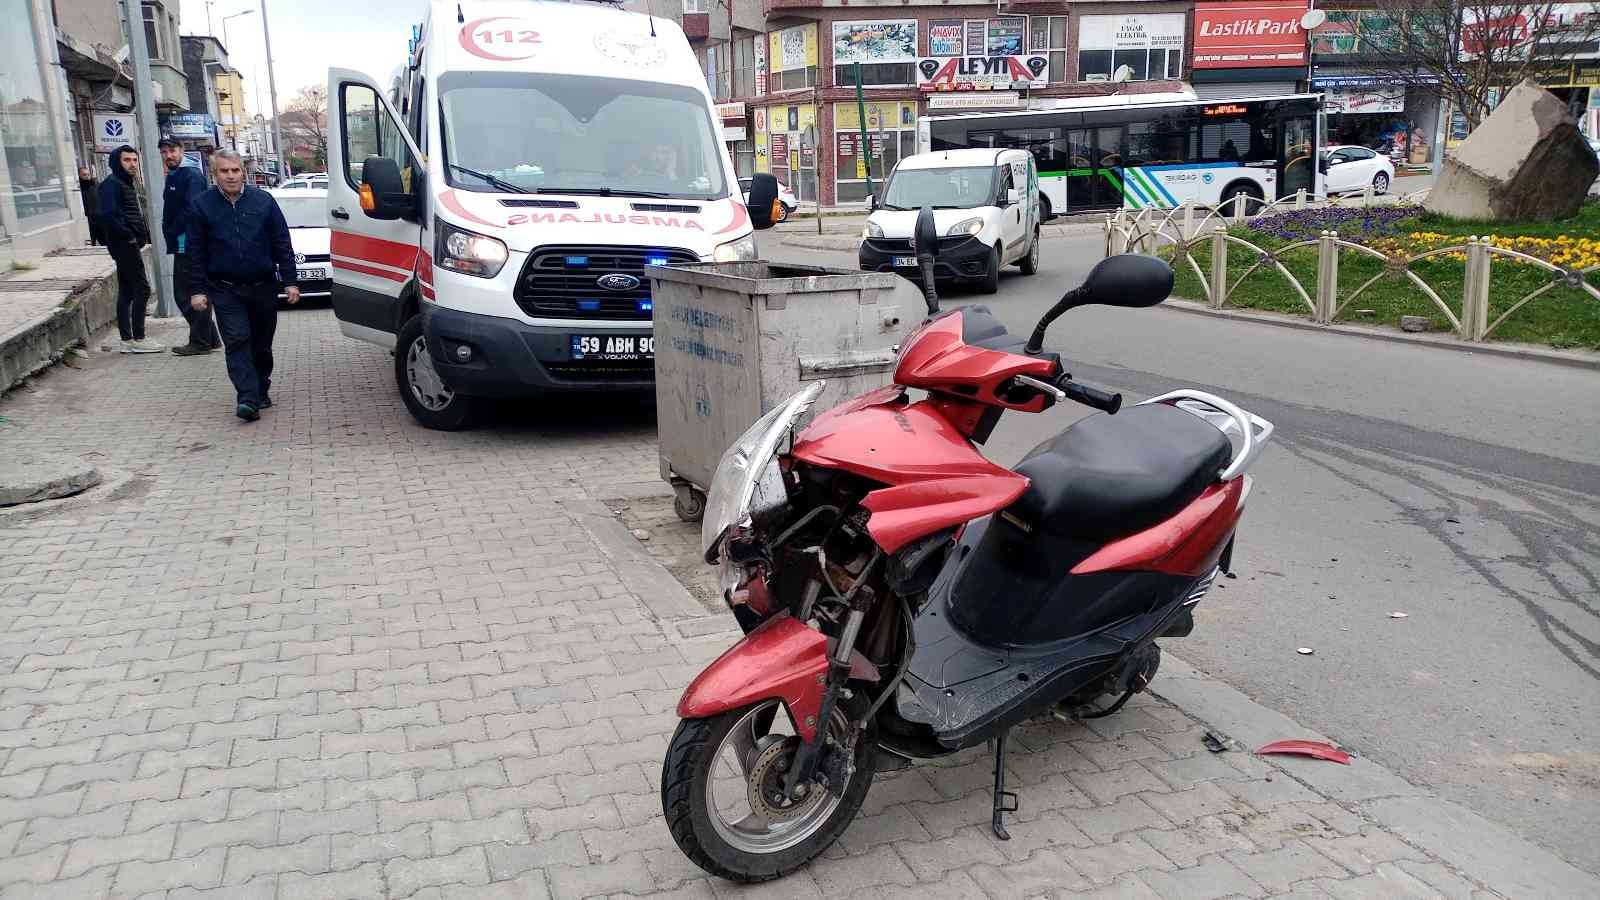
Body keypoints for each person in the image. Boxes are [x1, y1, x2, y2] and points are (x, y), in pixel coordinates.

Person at [186, 149, 299, 422]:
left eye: (235, 170)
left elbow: (281, 242)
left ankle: (261, 387)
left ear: (243, 172)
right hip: (225, 288)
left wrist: (290, 281)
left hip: (263, 286)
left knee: (261, 344)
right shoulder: (202, 206)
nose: (231, 176)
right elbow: (195, 251)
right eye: (224, 171)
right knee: (237, 340)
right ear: (214, 174)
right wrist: (197, 290)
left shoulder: (263, 201)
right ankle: (247, 398)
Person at [97, 146, 163, 354]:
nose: (132, 164)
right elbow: (108, 216)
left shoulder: (125, 183)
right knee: (142, 289)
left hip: (127, 243)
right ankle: (138, 338)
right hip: (124, 244)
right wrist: (130, 236)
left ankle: (127, 339)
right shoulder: (111, 184)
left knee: (126, 290)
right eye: (127, 160)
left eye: (135, 160)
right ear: (117, 162)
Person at [159, 137, 221, 356]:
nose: (168, 155)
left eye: (172, 150)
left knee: (186, 294)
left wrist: (174, 230)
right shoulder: (175, 174)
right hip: (182, 241)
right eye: (164, 152)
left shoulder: (191, 175)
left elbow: (192, 209)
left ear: (182, 150)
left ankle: (200, 341)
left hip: (189, 242)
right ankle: (210, 339)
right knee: (188, 292)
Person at [77, 165, 102, 246]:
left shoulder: (95, 185)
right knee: (92, 243)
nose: (87, 177)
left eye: (88, 174)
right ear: (79, 176)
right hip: (87, 219)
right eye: (84, 175)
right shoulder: (79, 189)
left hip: (98, 217)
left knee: (104, 242)